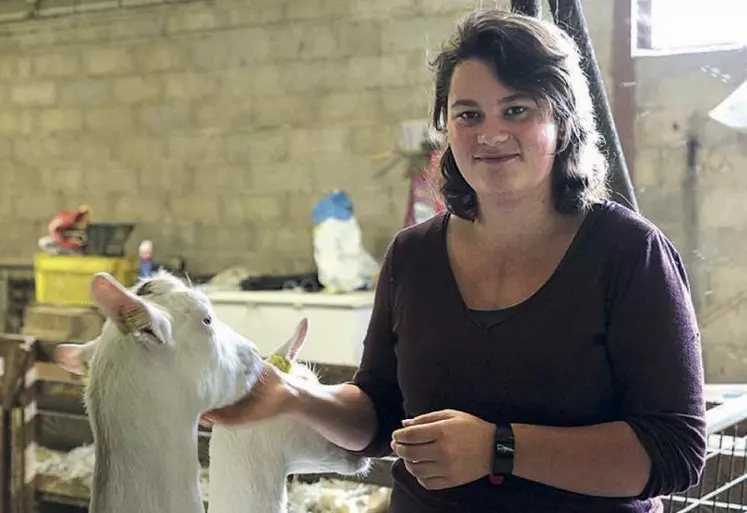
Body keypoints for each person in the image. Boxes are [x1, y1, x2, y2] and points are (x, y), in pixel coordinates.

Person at [203, 8, 706, 512]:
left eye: (517, 110)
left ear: (563, 121)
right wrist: (294, 396)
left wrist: (499, 448)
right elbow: (381, 413)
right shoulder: (412, 255)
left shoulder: (629, 254)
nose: (489, 134)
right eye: (468, 114)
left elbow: (674, 450)